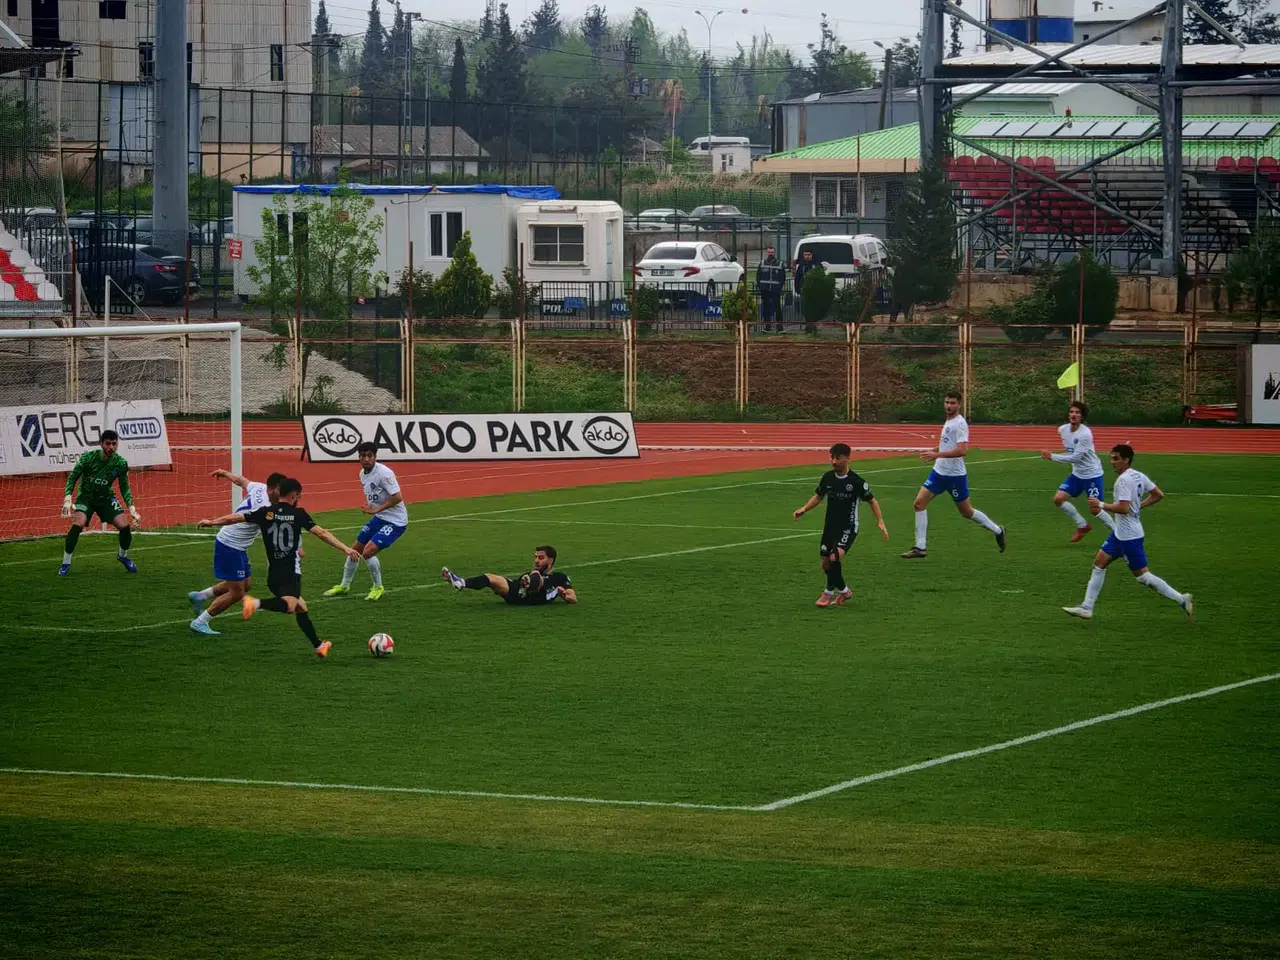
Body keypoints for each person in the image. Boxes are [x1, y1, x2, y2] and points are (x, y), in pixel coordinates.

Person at [198, 478, 361, 657]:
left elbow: (237, 517)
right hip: (290, 572)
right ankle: (254, 603)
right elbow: (321, 533)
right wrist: (345, 548)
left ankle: (319, 646)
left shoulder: (267, 512)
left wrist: (213, 522)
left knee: (300, 606)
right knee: (291, 604)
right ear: (294, 495)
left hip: (273, 574)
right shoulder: (298, 514)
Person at [1063, 444, 1193, 622]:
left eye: (1116, 459)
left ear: (1126, 460)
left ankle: (1181, 599)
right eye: (1111, 458)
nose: (1112, 462)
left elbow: (1123, 508)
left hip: (1128, 537)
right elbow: (1158, 494)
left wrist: (1100, 504)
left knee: (1143, 577)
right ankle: (1087, 607)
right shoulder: (1138, 475)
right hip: (1121, 534)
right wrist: (1139, 506)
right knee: (1099, 564)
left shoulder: (1123, 480)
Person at [902, 391, 1006, 559]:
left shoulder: (960, 423)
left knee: (966, 512)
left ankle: (998, 531)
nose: (949, 406)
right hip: (939, 472)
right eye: (946, 402)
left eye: (952, 403)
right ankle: (920, 548)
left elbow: (962, 450)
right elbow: (947, 445)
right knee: (919, 504)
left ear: (959, 404)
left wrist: (936, 455)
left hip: (955, 476)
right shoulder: (949, 421)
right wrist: (934, 451)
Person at [187, 469, 286, 633]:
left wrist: (225, 473)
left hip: (238, 546)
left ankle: (200, 596)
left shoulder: (259, 488)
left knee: (245, 585)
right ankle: (200, 622)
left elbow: (241, 480)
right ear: (273, 488)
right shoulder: (266, 509)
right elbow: (236, 518)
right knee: (237, 593)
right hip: (230, 545)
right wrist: (212, 522)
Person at [793, 442, 889, 607]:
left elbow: (872, 501)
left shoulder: (856, 481)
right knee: (825, 563)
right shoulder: (828, 477)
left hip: (848, 527)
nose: (834, 461)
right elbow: (818, 496)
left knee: (833, 558)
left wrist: (880, 521)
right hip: (830, 526)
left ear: (847, 458)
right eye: (832, 457)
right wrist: (804, 509)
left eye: (837, 458)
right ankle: (845, 592)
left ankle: (827, 593)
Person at [324, 442, 408, 601]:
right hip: (381, 517)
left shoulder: (385, 473)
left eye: (370, 456)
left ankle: (378, 587)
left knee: (368, 552)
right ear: (359, 457)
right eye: (363, 456)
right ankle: (344, 585)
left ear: (375, 457)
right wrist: (371, 506)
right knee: (354, 550)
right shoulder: (362, 474)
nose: (366, 459)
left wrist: (376, 509)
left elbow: (397, 497)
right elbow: (375, 495)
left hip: (396, 521)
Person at [58, 429, 141, 576]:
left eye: (114, 444)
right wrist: (67, 498)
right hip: (86, 497)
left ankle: (123, 556)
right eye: (108, 444)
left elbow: (124, 487)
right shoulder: (88, 458)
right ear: (101, 443)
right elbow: (73, 477)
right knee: (78, 523)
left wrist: (132, 508)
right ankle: (65, 563)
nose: (111, 447)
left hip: (106, 498)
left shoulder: (120, 463)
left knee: (125, 526)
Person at [1040, 401, 1116, 542]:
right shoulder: (1062, 430)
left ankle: (1118, 534)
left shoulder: (1085, 434)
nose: (1073, 415)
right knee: (1058, 499)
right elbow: (1071, 453)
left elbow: (1076, 457)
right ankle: (1082, 526)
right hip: (1077, 474)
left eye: (1077, 413)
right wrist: (1053, 455)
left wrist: (1052, 456)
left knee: (1095, 509)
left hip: (1092, 474)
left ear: (1082, 417)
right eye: (1071, 412)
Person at [441, 545, 577, 606]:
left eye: (541, 558)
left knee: (534, 575)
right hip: (517, 594)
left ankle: (526, 588)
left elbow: (573, 598)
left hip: (537, 597)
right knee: (491, 577)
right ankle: (461, 583)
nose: (536, 560)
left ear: (551, 560)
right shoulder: (529, 574)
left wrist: (564, 595)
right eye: (535, 557)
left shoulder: (559, 577)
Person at [756, 246, 785, 333]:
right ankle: (767, 327)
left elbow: (783, 277)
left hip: (775, 290)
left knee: (777, 309)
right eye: (769, 252)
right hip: (765, 290)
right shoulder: (762, 263)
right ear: (767, 253)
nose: (770, 254)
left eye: (772, 252)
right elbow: (758, 276)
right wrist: (760, 286)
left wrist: (779, 287)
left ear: (774, 253)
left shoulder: (780, 264)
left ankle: (779, 328)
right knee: (766, 308)